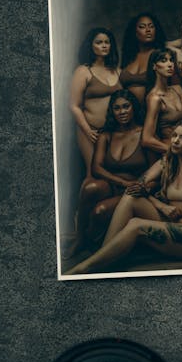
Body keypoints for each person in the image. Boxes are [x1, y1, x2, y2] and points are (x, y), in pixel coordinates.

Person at [65, 122, 182, 275]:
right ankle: (102, 257)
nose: (175, 141)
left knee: (136, 225)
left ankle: (86, 267)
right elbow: (137, 187)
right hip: (171, 221)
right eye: (174, 135)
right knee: (130, 196)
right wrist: (161, 206)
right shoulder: (167, 163)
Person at [68, 89, 152, 255]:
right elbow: (96, 168)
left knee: (100, 211)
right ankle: (80, 239)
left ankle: (95, 246)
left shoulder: (144, 134)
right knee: (89, 188)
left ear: (134, 107)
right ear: (112, 112)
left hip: (132, 191)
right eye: (117, 108)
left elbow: (156, 171)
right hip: (113, 184)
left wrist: (144, 187)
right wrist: (122, 182)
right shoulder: (106, 135)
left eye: (126, 107)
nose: (122, 112)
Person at [68, 27, 122, 177]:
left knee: (112, 173)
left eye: (107, 42)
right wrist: (88, 130)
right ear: (91, 46)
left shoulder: (117, 70)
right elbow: (74, 105)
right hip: (91, 130)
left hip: (113, 132)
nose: (104, 45)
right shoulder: (83, 71)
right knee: (93, 174)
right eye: (99, 42)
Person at [141, 48, 182, 156]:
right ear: (154, 66)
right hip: (169, 151)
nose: (170, 64)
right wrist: (173, 151)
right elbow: (146, 139)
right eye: (163, 61)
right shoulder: (154, 98)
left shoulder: (177, 89)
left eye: (171, 60)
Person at [119, 12, 167, 107]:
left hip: (153, 112)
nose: (148, 30)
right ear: (135, 32)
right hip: (128, 116)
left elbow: (175, 87)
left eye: (151, 26)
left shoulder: (161, 55)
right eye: (142, 27)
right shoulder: (129, 56)